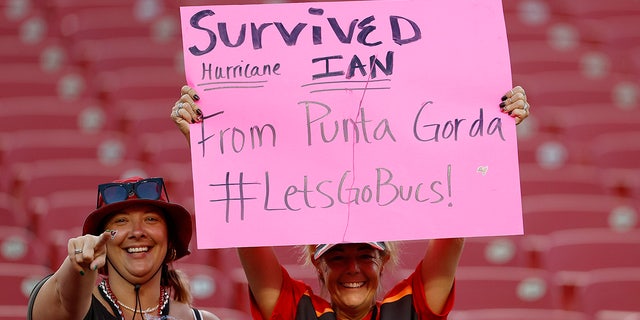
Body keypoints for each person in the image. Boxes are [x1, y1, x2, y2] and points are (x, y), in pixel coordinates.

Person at [170, 83, 530, 320]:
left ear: (383, 259)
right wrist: (206, 146)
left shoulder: (411, 310)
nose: (353, 269)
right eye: (338, 256)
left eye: (365, 255)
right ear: (318, 263)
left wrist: (491, 131)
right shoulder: (297, 311)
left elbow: (455, 225)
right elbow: (246, 231)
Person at [28, 176, 221, 320]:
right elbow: (64, 299)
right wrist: (77, 265)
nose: (137, 232)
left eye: (150, 219)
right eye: (121, 221)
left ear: (169, 240)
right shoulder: (76, 310)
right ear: (101, 242)